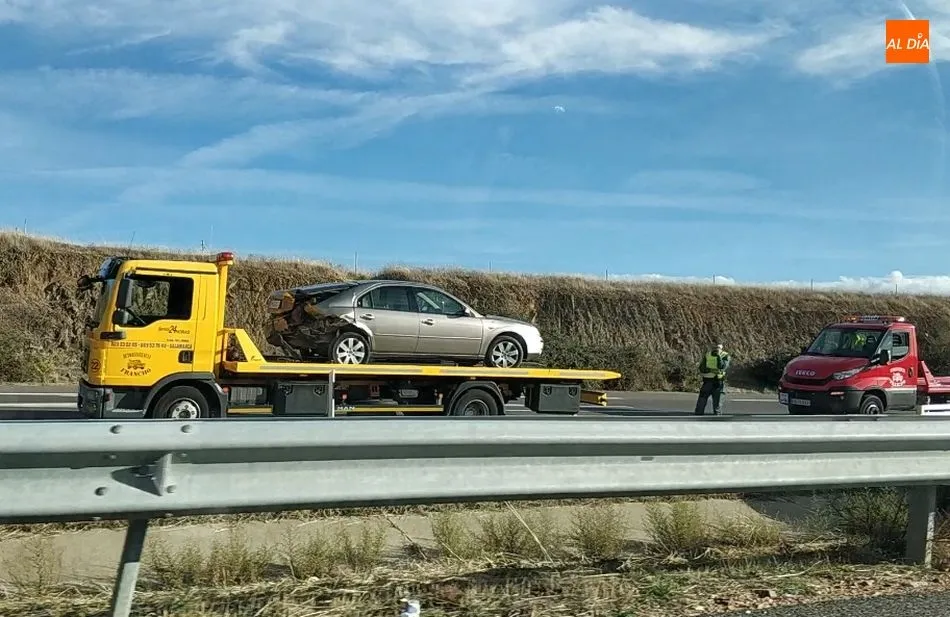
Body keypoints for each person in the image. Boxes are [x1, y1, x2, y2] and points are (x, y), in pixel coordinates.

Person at [695, 342, 731, 415]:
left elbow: (722, 367)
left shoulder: (725, 355)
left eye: (717, 348)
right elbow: (702, 368)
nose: (715, 350)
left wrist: (718, 357)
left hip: (718, 382)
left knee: (717, 404)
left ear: (721, 348)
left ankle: (716, 417)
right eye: (714, 348)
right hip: (708, 381)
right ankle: (698, 414)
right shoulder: (708, 355)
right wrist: (710, 370)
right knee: (701, 402)